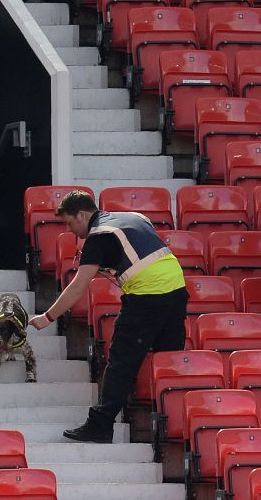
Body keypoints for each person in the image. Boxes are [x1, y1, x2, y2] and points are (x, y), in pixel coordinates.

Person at [27, 190, 189, 444]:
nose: (71, 231)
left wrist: (47, 317)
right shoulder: (134, 217)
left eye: (70, 223)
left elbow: (78, 286)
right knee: (168, 360)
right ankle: (177, 420)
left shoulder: (98, 237)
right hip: (177, 291)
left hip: (147, 298)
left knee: (121, 362)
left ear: (82, 214)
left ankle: (100, 426)